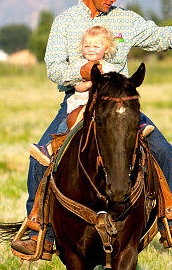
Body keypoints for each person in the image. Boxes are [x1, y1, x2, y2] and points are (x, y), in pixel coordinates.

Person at [12, 0, 172, 258]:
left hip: (120, 105)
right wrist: (83, 72)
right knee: (41, 158)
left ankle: (171, 219)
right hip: (79, 102)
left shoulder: (127, 21)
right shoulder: (64, 22)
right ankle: (39, 232)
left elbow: (162, 38)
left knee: (162, 149)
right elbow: (54, 69)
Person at [29, 24, 116, 165]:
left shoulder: (109, 68)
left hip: (103, 106)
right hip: (82, 104)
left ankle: (139, 129)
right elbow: (79, 86)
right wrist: (92, 83)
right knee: (75, 124)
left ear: (106, 49)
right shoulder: (79, 65)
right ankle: (51, 147)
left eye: (96, 47)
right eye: (87, 46)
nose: (91, 50)